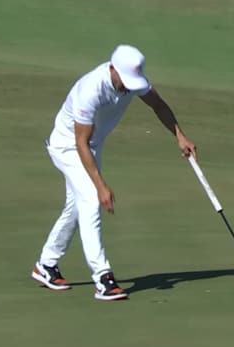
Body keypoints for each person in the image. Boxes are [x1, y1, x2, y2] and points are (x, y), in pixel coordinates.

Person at [31, 44, 197, 301]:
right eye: (124, 81)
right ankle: (103, 278)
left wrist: (180, 137)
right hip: (68, 146)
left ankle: (46, 265)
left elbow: (159, 106)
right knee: (89, 199)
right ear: (112, 69)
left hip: (90, 147)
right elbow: (80, 143)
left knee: (74, 207)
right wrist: (101, 186)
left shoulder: (134, 83)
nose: (128, 87)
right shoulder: (91, 89)